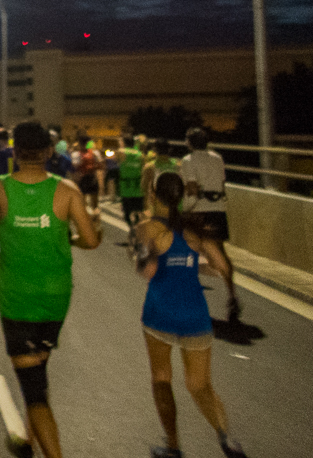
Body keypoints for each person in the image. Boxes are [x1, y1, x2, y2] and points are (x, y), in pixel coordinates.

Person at [0, 121, 102, 458]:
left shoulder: (0, 188)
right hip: (56, 298)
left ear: (15, 153)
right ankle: (29, 439)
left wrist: (1, 232)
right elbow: (90, 241)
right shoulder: (67, 191)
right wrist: (67, 237)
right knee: (37, 372)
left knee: (34, 391)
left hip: (18, 300)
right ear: (49, 152)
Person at [134, 172, 250, 458]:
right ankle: (226, 439)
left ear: (152, 193)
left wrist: (152, 257)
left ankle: (173, 446)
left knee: (162, 378)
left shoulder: (146, 228)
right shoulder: (195, 230)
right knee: (200, 385)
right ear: (182, 195)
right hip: (195, 316)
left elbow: (146, 270)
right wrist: (196, 268)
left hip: (159, 315)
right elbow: (221, 266)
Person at [179, 127, 239, 322]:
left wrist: (184, 211)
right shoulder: (217, 157)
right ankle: (231, 294)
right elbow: (221, 184)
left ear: (189, 142)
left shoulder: (188, 161)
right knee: (220, 252)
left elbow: (192, 189)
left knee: (190, 253)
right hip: (218, 210)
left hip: (198, 212)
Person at [117, 133, 147, 233]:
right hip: (138, 187)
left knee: (127, 213)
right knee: (138, 211)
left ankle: (133, 229)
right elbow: (143, 167)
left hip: (126, 188)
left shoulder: (121, 152)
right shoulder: (140, 154)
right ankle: (138, 229)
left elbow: (115, 160)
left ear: (124, 143)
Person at [142, 138, 179, 213]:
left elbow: (143, 187)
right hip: (175, 206)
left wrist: (145, 206)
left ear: (155, 150)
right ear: (169, 149)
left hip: (156, 207)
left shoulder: (149, 166)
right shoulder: (178, 165)